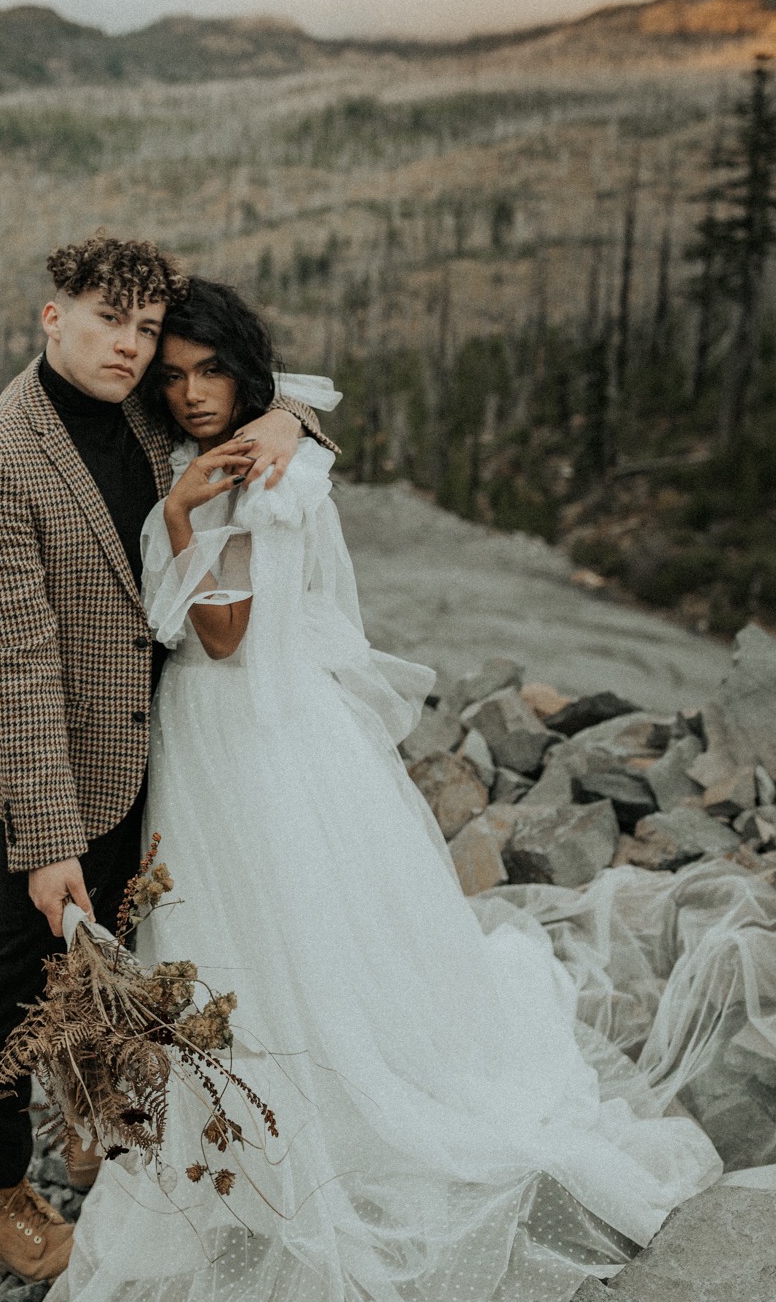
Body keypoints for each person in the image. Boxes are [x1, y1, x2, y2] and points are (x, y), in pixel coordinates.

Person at [53, 277, 721, 1302]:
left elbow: (223, 636)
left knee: (288, 930)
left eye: (213, 371)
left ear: (244, 370)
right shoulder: (249, 445)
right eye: (175, 375)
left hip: (251, 732)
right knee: (241, 929)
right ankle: (232, 1113)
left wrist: (183, 518)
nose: (193, 393)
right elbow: (303, 408)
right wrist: (260, 434)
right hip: (227, 736)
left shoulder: (259, 479)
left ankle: (308, 1126)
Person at [0, 237, 335, 1285]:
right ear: (50, 316)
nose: (131, 345)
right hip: (65, 766)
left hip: (168, 745)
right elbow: (18, 669)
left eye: (145, 327)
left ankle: (98, 1118)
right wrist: (47, 836)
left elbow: (254, 392)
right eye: (108, 319)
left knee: (132, 949)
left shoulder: (143, 408)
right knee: (23, 978)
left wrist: (290, 418)